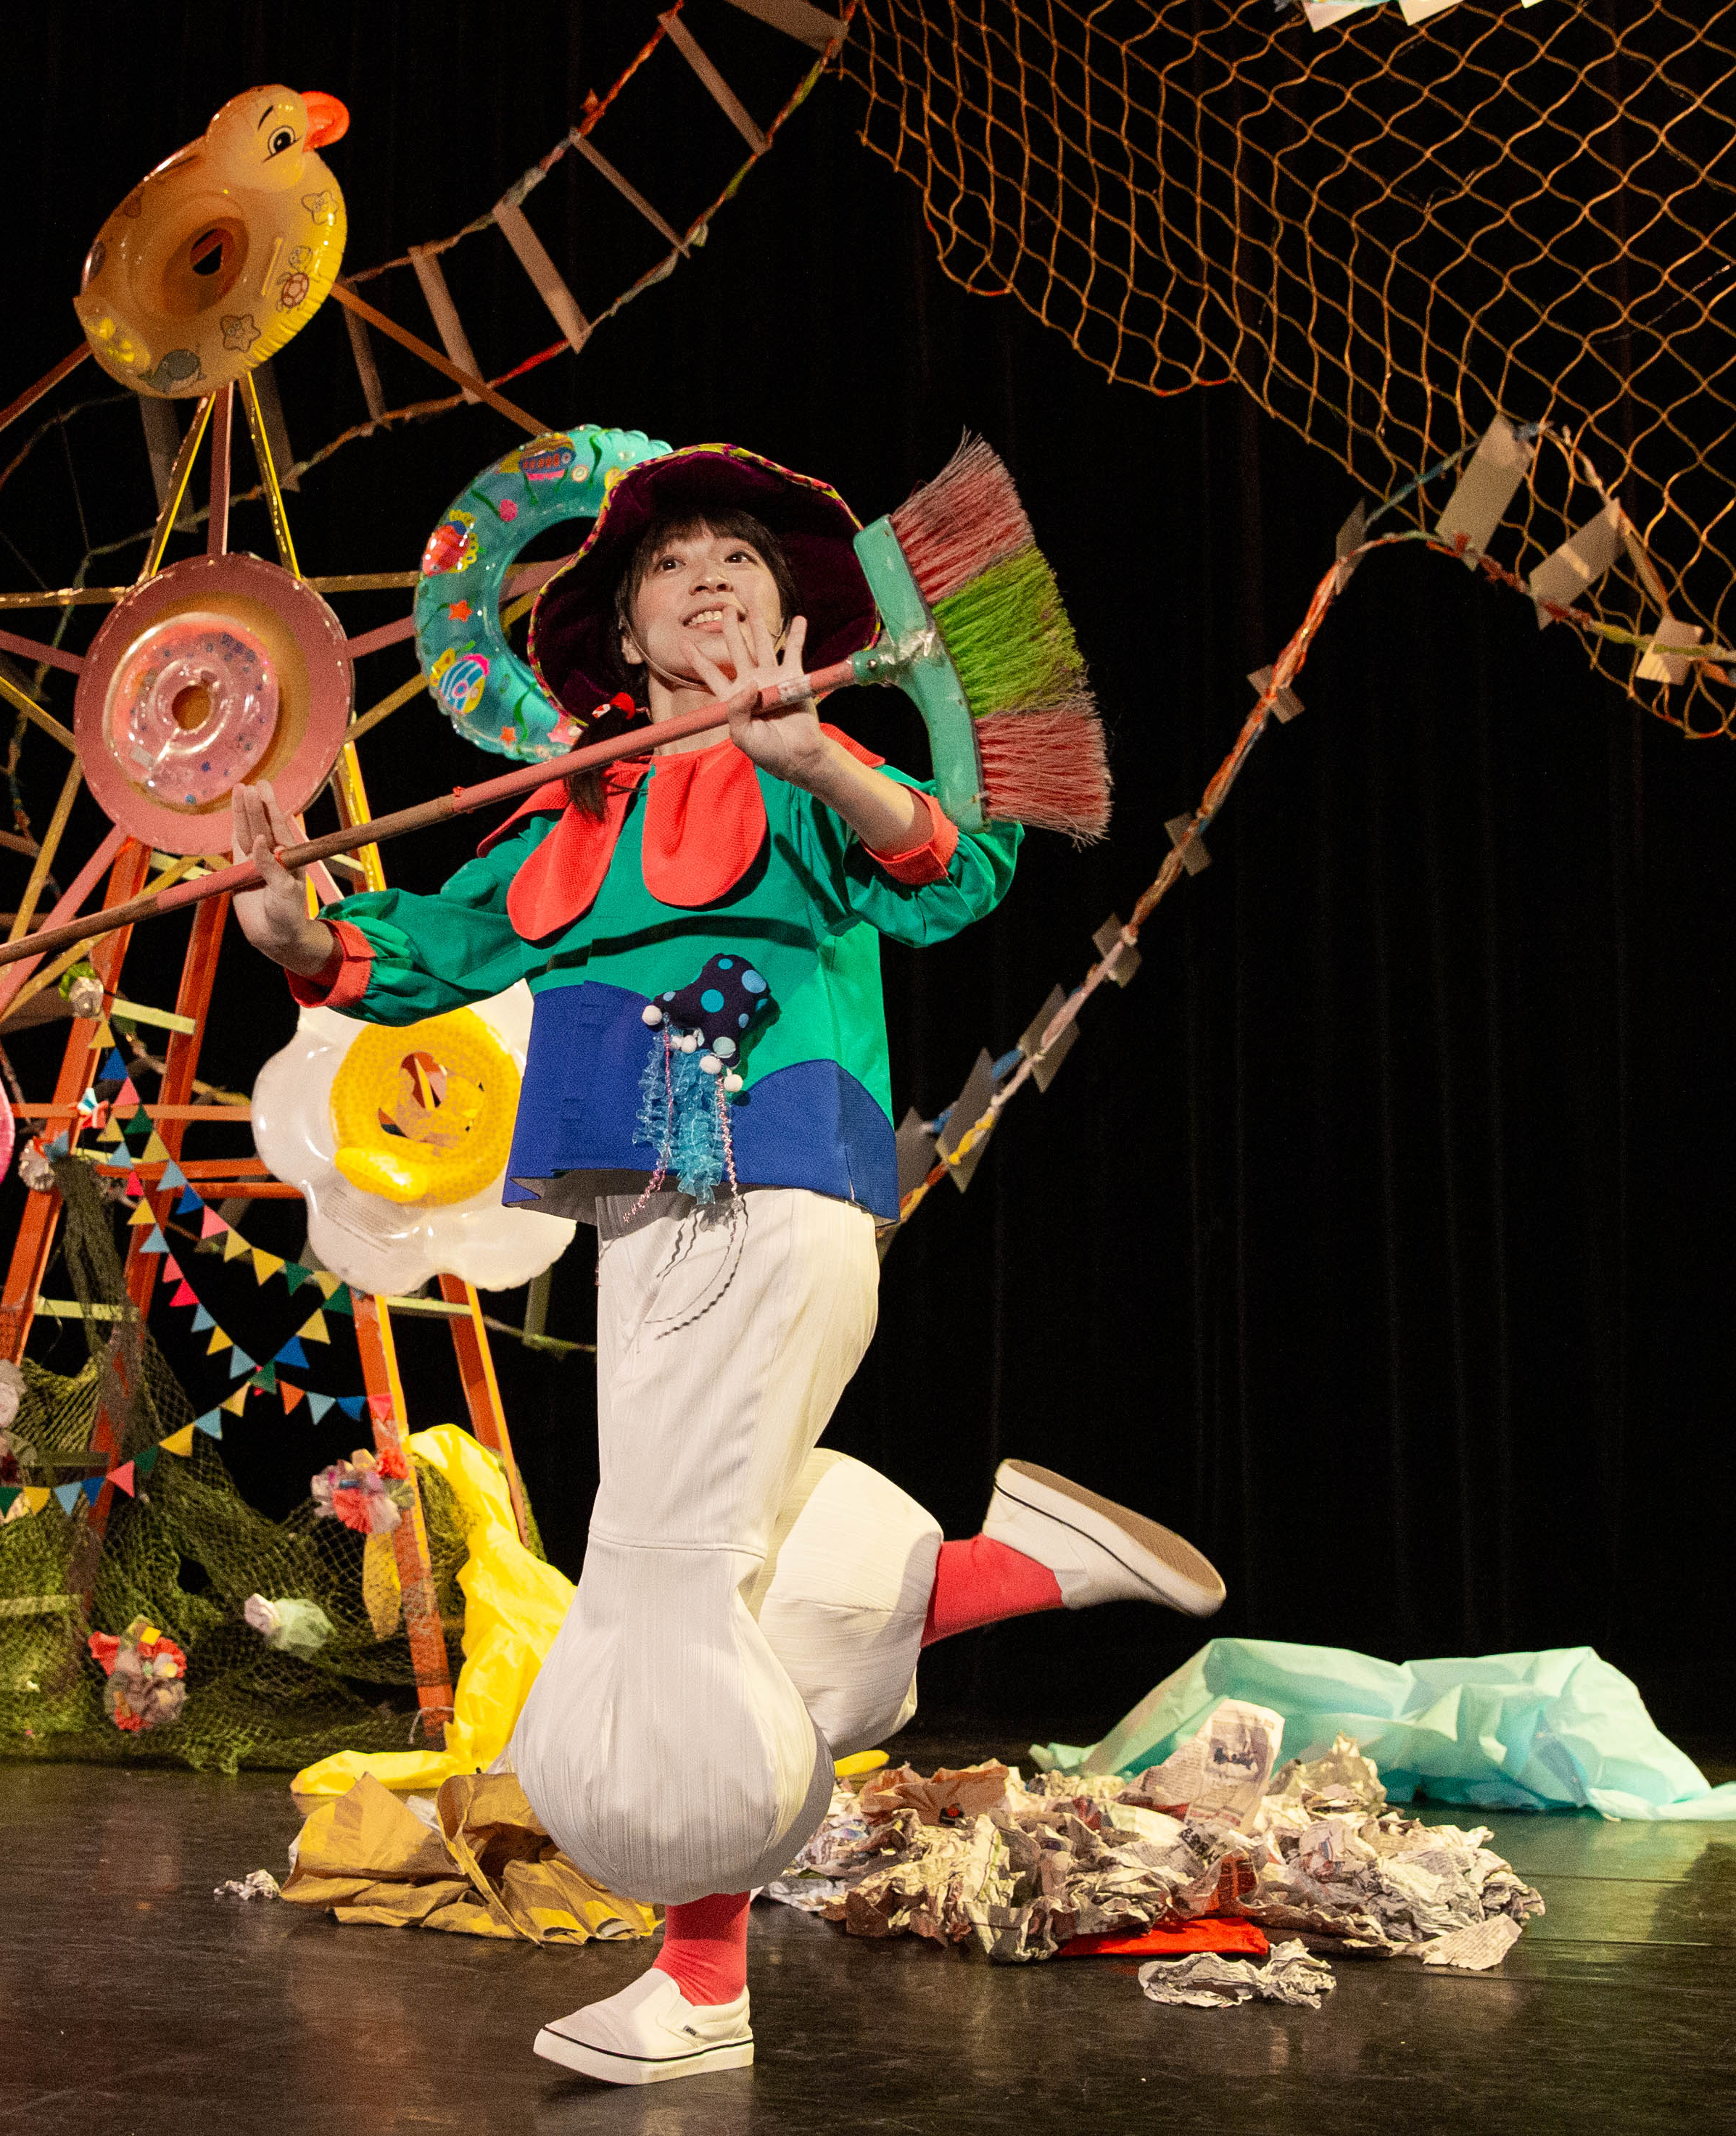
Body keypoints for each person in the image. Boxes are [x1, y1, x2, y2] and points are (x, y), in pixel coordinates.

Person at [228, 447, 1223, 2087]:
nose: (706, 574)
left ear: (783, 612)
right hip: (646, 1213)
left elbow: (956, 873)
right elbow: (432, 949)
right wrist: (296, 933)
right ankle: (1009, 1573)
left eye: (737, 558)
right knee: (727, 1577)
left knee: (659, 1578)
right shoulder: (575, 807)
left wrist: (815, 754)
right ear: (622, 637)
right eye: (668, 564)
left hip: (767, 1191)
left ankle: (698, 1979)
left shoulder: (799, 765)